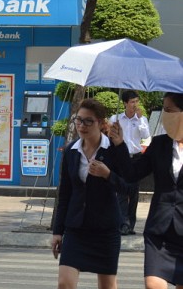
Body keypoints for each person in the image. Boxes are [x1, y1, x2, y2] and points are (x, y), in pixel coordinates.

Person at [51, 98, 130, 289]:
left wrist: (108, 174)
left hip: (106, 230)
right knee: (64, 283)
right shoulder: (71, 151)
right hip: (76, 228)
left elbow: (128, 187)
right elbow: (65, 195)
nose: (82, 126)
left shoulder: (114, 149)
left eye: (88, 121)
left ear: (102, 123)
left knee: (107, 285)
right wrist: (57, 231)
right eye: (79, 120)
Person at [116, 92, 183, 289]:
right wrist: (120, 144)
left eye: (170, 110)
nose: (165, 115)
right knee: (153, 285)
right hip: (158, 231)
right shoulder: (159, 143)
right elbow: (132, 174)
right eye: (164, 109)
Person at [109, 90, 150, 235]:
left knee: (133, 193)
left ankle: (130, 224)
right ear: (125, 103)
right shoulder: (116, 118)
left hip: (136, 158)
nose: (135, 105)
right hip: (121, 158)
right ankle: (123, 223)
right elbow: (109, 137)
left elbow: (146, 135)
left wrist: (139, 120)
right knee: (121, 190)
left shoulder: (142, 119)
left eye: (136, 101)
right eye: (132, 102)